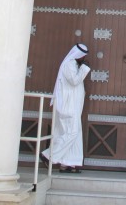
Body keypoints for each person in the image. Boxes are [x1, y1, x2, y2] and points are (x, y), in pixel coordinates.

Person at [40, 42, 91, 173]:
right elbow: (74, 81)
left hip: (73, 107)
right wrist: (84, 69)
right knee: (71, 132)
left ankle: (68, 164)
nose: (83, 58)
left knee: (74, 133)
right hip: (68, 107)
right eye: (83, 56)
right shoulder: (69, 64)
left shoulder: (73, 65)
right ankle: (48, 155)